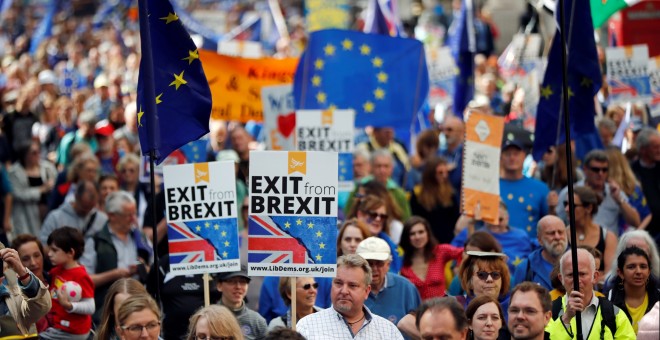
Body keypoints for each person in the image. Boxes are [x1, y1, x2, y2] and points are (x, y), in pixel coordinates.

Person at [296, 254, 404, 339]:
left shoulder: (388, 331)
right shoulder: (307, 327)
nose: (344, 291)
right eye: (338, 283)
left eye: (352, 285)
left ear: (367, 291)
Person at [82, 191, 151, 323]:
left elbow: (153, 269)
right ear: (112, 215)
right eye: (128, 215)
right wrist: (115, 274)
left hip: (139, 308)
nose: (133, 219)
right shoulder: (96, 241)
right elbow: (85, 279)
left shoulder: (140, 237)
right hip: (107, 311)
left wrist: (142, 267)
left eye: (134, 214)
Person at [546, 248, 635, 339]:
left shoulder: (615, 315)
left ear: (595, 277)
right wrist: (566, 319)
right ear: (561, 279)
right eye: (570, 275)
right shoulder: (549, 314)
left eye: (582, 274)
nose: (577, 280)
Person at [555, 150, 640, 235]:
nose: (600, 173)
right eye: (596, 169)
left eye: (604, 170)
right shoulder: (569, 192)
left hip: (608, 244)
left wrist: (620, 200)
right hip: (578, 244)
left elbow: (635, 222)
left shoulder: (614, 192)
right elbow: (558, 221)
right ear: (585, 169)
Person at [41, 227, 94, 340]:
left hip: (72, 331)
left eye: (54, 250)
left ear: (70, 252)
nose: (49, 254)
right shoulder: (57, 270)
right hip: (58, 325)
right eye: (49, 249)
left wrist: (69, 306)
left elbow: (90, 306)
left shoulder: (81, 275)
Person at [356, 237, 421, 325]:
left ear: (388, 265)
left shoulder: (406, 288)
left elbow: (421, 325)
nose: (374, 269)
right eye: (368, 263)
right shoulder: (350, 288)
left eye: (379, 263)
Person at [453, 201, 533, 272]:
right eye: (490, 219)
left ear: (507, 218)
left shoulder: (520, 236)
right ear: (484, 219)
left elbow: (529, 264)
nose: (495, 223)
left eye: (499, 219)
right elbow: (457, 262)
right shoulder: (475, 234)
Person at [400, 216, 464, 299]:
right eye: (412, 234)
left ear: (428, 233)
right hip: (416, 311)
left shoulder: (440, 251)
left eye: (421, 232)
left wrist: (458, 268)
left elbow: (464, 252)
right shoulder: (402, 261)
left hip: (441, 308)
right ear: (406, 237)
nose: (417, 237)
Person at [499, 137, 550, 239]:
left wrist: (553, 207)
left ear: (524, 156)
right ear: (501, 157)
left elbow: (549, 222)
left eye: (516, 154)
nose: (512, 158)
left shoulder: (540, 188)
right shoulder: (491, 187)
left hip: (529, 249)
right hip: (496, 246)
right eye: (507, 154)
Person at [564, 186, 618, 275]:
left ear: (589, 208)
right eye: (565, 204)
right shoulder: (561, 234)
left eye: (573, 205)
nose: (566, 209)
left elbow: (609, 275)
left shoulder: (608, 237)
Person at [0, 246, 51, 338]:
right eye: (26, 258)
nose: (33, 263)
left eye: (37, 255)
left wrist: (22, 272)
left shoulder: (15, 289)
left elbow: (41, 307)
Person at [606, 246, 660, 334]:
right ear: (620, 273)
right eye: (631, 267)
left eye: (643, 267)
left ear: (649, 271)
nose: (638, 271)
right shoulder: (608, 300)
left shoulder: (658, 298)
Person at [8, 141, 56, 236]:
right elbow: (18, 193)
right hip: (25, 214)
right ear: (25, 155)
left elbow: (57, 185)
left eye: (39, 151)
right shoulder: (15, 172)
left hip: (47, 212)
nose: (38, 155)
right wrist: (41, 190)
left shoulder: (47, 167)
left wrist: (52, 186)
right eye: (34, 152)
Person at [40, 179, 108, 245]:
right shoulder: (55, 217)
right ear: (76, 196)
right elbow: (44, 244)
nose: (86, 211)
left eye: (91, 207)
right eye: (84, 207)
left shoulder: (102, 219)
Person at [410, 157, 461, 243]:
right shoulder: (417, 194)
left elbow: (456, 219)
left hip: (447, 241)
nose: (444, 176)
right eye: (440, 173)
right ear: (431, 174)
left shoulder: (451, 194)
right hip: (425, 241)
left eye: (446, 172)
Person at [349, 194, 402, 273]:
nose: (378, 219)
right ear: (360, 215)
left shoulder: (391, 245)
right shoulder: (348, 239)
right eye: (373, 215)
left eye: (383, 216)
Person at [513, 215, 568, 290]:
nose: (557, 237)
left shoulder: (578, 262)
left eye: (560, 232)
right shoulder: (525, 269)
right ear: (539, 239)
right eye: (551, 233)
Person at [605, 146, 651, 230]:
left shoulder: (631, 188)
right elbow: (647, 214)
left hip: (622, 235)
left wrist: (636, 233)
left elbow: (646, 214)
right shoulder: (634, 186)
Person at [215, 267, 267, 340]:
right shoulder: (206, 318)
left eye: (243, 282)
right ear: (219, 286)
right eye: (231, 281)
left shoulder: (257, 321)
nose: (238, 287)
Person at [457, 251, 511, 319]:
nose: (489, 279)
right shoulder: (457, 308)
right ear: (469, 281)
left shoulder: (514, 306)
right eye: (482, 275)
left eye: (495, 275)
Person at [631, 127, 660, 240]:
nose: (659, 150)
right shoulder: (632, 171)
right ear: (643, 149)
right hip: (644, 232)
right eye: (655, 147)